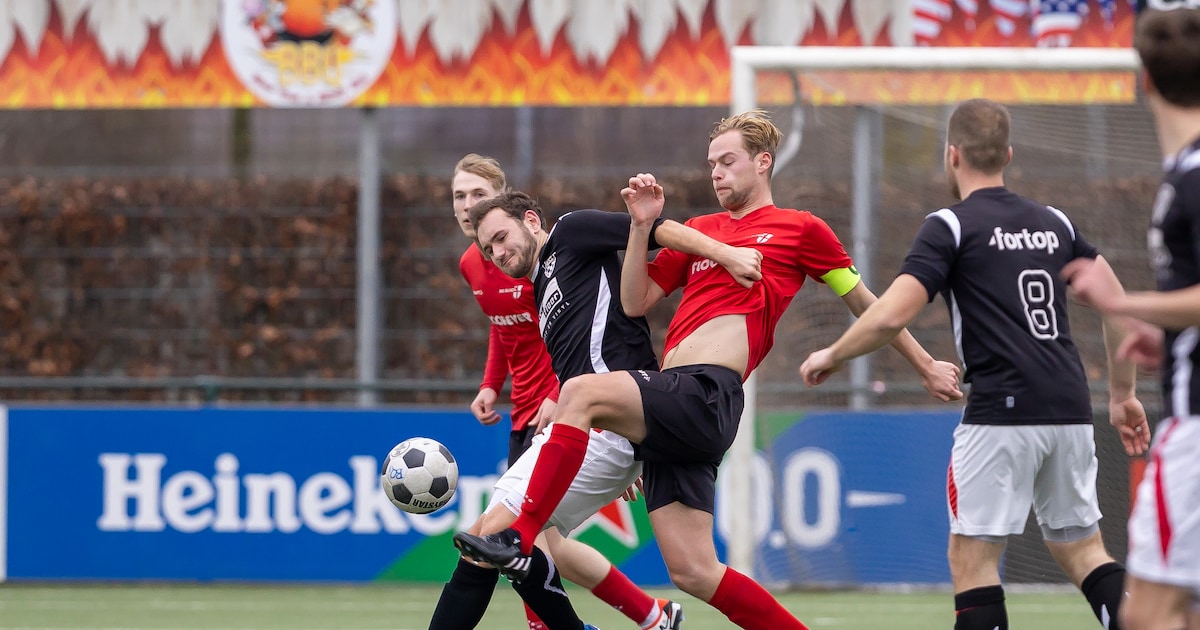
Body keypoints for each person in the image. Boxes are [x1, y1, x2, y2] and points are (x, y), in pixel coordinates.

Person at [455, 110, 963, 630]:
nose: (716, 173)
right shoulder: (701, 230)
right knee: (694, 571)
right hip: (670, 400)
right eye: (711, 164)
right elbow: (634, 300)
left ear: (763, 163)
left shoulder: (801, 229)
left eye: (728, 161)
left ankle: (518, 535)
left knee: (578, 393)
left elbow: (867, 303)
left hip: (705, 393)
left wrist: (925, 365)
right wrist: (639, 227)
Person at [798, 98, 1151, 630]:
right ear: (1007, 154)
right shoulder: (1054, 223)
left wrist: (833, 351)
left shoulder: (950, 225)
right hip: (1070, 408)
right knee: (1083, 553)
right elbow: (1117, 306)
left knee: (973, 560)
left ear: (952, 155)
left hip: (1000, 416)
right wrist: (1122, 395)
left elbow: (893, 312)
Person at [430, 155, 683, 630]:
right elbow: (504, 330)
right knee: (527, 542)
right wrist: (491, 383)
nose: (468, 206)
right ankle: (653, 615)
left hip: (568, 409)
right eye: (458, 197)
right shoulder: (480, 263)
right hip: (541, 412)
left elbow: (587, 333)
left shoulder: (548, 250)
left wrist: (586, 408)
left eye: (478, 196)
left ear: (510, 205)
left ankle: (619, 618)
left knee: (515, 537)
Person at [1062, 6, 1200, 629]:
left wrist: (1121, 305)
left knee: (1145, 615)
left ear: (1143, 78)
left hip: (1195, 430)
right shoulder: (1184, 172)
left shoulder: (1194, 177)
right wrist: (1166, 334)